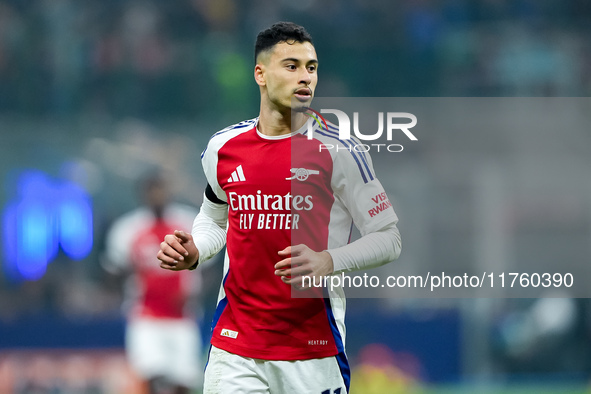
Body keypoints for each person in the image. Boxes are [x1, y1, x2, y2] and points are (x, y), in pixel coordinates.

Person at [157, 21, 401, 393]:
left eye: (311, 67)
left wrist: (328, 261)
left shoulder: (341, 152)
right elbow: (214, 215)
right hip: (236, 345)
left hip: (312, 350)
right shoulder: (224, 148)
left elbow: (388, 238)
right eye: (291, 66)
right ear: (261, 73)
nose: (305, 77)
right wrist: (197, 251)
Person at [104, 172, 203, 394]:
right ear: (143, 195)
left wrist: (196, 291)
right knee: (152, 375)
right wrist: (128, 283)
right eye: (152, 191)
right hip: (145, 316)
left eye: (161, 190)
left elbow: (206, 266)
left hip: (182, 316)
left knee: (183, 381)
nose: (157, 196)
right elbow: (114, 268)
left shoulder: (188, 222)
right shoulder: (127, 229)